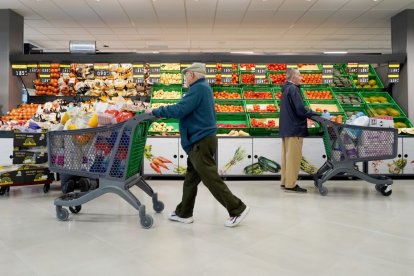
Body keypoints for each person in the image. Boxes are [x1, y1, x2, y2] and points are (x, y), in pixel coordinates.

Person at [146, 62, 249, 227]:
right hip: (199, 140)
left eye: (185, 76)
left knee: (210, 179)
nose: (185, 79)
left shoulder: (198, 89)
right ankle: (184, 213)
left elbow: (180, 109)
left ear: (192, 75)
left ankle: (237, 209)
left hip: (200, 141)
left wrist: (155, 112)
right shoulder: (202, 88)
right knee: (191, 179)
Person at [279, 68, 318, 193]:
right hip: (295, 128)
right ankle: (291, 184)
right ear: (293, 78)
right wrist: (315, 115)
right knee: (294, 158)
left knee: (286, 157)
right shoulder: (294, 89)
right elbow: (300, 109)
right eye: (299, 75)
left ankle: (285, 181)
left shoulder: (285, 89)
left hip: (286, 128)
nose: (301, 78)